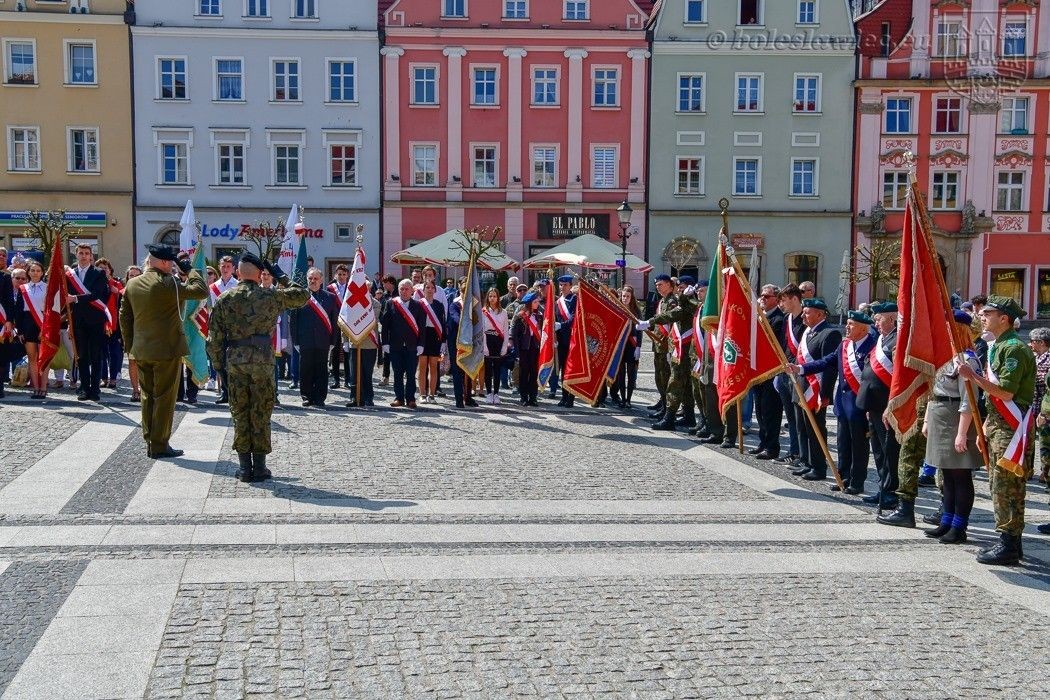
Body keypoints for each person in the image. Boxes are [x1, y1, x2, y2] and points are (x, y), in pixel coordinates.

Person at [208, 253, 309, 482]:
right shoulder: (269, 297)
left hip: (235, 362)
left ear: (238, 272)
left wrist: (218, 365)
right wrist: (280, 275)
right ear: (259, 273)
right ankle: (260, 467)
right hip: (262, 362)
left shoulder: (226, 298)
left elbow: (213, 336)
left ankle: (245, 468)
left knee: (240, 411)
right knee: (261, 412)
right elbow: (302, 296)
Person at [956, 295, 1036, 566]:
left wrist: (972, 376)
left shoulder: (1012, 348)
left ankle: (1009, 543)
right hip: (1000, 424)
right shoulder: (1000, 345)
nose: (982, 316)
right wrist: (987, 428)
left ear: (1004, 318)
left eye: (988, 313)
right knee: (1002, 484)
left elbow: (1006, 391)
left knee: (1005, 485)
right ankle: (1011, 540)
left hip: (1012, 427)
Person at [119, 245, 208, 458]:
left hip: (141, 349)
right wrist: (190, 269)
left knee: (147, 396)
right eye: (171, 262)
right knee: (165, 398)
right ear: (165, 262)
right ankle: (159, 444)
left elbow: (125, 317)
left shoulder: (132, 283)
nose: (172, 266)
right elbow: (201, 290)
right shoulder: (170, 284)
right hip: (167, 350)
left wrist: (131, 346)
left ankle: (150, 439)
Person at [792, 310, 875, 493]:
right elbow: (826, 362)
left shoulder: (872, 345)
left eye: (851, 324)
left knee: (859, 445)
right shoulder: (844, 345)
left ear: (862, 329)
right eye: (847, 323)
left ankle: (857, 481)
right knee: (843, 442)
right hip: (843, 403)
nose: (846, 327)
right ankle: (843, 476)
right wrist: (800, 368)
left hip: (860, 403)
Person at [922, 311, 983, 544]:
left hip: (956, 418)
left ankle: (959, 526)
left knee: (960, 475)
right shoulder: (944, 356)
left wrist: (961, 433)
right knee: (946, 473)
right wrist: (927, 420)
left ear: (958, 329)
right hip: (939, 415)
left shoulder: (967, 360)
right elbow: (932, 392)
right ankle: (946, 521)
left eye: (947, 327)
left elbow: (969, 399)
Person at [790, 298, 841, 481]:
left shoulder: (830, 333)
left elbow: (829, 366)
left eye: (807, 312)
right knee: (802, 427)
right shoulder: (808, 332)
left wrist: (825, 393)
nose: (803, 314)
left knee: (815, 429)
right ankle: (807, 462)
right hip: (801, 386)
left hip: (815, 390)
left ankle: (818, 467)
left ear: (820, 314)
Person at [859, 302, 904, 513]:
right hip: (874, 404)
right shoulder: (881, 338)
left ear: (892, 320)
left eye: (879, 319)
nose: (875, 322)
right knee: (877, 450)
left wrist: (891, 405)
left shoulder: (898, 340)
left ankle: (890, 492)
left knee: (889, 450)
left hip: (887, 405)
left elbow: (898, 377)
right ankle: (882, 487)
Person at [639, 278, 699, 432]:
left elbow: (672, 315)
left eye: (683, 288)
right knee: (684, 385)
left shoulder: (691, 304)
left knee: (675, 382)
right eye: (679, 287)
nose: (680, 290)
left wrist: (650, 321)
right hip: (680, 347)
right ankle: (689, 416)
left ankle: (669, 417)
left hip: (686, 349)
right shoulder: (686, 302)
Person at [65, 243, 110, 401]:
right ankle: (84, 388)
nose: (84, 256)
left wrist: (75, 298)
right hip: (78, 320)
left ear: (91, 256)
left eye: (87, 253)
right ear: (76, 254)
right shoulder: (70, 274)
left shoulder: (98, 273)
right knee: (82, 356)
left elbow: (97, 295)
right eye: (81, 253)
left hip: (95, 320)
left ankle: (95, 389)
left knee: (96, 355)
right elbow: (66, 296)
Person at [290, 268, 340, 408]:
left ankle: (319, 397)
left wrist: (333, 341)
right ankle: (306, 396)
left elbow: (334, 320)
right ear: (307, 279)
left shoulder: (330, 297)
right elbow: (294, 321)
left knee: (321, 370)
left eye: (315, 278)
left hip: (323, 340)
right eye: (310, 278)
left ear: (321, 280)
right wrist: (295, 341)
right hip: (305, 340)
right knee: (305, 370)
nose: (312, 281)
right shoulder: (300, 296)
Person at [380, 279, 426, 408]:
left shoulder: (418, 305)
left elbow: (422, 327)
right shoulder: (391, 303)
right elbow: (385, 326)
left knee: (411, 374)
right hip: (395, 345)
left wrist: (421, 344)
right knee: (398, 373)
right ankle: (399, 398)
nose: (404, 291)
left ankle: (411, 399)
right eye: (402, 289)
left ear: (412, 291)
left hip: (412, 346)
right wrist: (385, 343)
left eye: (407, 289)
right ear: (398, 290)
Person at [752, 284, 785, 460]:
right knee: (760, 410)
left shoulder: (779, 319)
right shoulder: (760, 317)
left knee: (770, 411)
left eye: (767, 296)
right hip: (758, 371)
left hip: (771, 372)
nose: (763, 299)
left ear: (776, 299)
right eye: (762, 296)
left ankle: (772, 446)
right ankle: (763, 442)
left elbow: (771, 343)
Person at [773, 284, 805, 464]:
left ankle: (803, 453)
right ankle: (794, 450)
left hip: (799, 373)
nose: (781, 304)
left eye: (784, 300)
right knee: (791, 416)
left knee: (800, 417)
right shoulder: (787, 320)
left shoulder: (804, 320)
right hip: (786, 372)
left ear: (794, 299)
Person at [14, 260, 47, 399]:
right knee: (32, 358)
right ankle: (36, 387)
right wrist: (20, 331)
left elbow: (51, 310)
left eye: (38, 270)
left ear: (42, 273)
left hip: (43, 323)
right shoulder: (23, 289)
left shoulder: (47, 287)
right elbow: (19, 311)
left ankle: (44, 388)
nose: (35, 273)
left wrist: (46, 328)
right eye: (32, 270)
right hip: (28, 324)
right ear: (28, 272)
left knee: (44, 359)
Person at [647, 274, 677, 419]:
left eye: (660, 285)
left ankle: (667, 410)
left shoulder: (672, 301)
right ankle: (663, 405)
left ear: (668, 284)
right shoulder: (662, 301)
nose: (657, 287)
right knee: (659, 377)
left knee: (666, 378)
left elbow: (670, 322)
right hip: (658, 344)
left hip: (666, 345)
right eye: (657, 285)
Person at [210, 256, 239, 403]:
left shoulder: (238, 286)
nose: (225, 268)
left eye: (228, 266)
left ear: (233, 268)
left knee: (234, 363)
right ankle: (226, 393)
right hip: (218, 330)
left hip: (234, 330)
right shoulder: (213, 287)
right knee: (220, 362)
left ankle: (235, 393)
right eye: (223, 266)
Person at [345, 288, 381, 408]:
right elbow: (345, 321)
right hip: (354, 343)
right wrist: (345, 341)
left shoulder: (375, 303)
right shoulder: (349, 302)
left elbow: (372, 320)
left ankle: (368, 397)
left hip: (369, 344)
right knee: (354, 372)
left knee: (367, 373)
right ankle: (355, 397)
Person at [94, 258, 124, 389]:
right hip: (98, 322)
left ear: (110, 270)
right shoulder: (94, 284)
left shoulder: (117, 284)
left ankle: (113, 379)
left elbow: (124, 300)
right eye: (100, 268)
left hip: (114, 324)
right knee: (101, 353)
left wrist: (117, 292)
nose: (103, 271)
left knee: (114, 353)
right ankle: (103, 378)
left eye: (105, 268)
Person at [611, 285, 643, 409]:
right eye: (623, 296)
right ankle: (623, 398)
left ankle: (629, 399)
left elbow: (640, 330)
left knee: (631, 374)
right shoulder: (617, 308)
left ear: (632, 297)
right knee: (620, 374)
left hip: (632, 345)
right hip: (620, 345)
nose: (625, 298)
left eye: (628, 296)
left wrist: (639, 347)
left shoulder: (636, 311)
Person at [511, 291, 543, 406]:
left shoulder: (539, 315)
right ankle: (524, 397)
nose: (537, 303)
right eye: (535, 302)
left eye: (537, 301)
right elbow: (515, 334)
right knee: (524, 373)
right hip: (524, 349)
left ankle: (533, 397)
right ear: (529, 303)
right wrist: (517, 350)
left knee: (534, 372)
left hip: (535, 348)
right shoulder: (520, 316)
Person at [417, 279, 446, 403]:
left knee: (434, 366)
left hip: (435, 336)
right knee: (422, 366)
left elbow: (443, 324)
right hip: (423, 336)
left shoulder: (439, 305)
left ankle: (432, 394)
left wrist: (443, 341)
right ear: (423, 290)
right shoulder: (419, 304)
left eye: (431, 287)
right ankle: (422, 394)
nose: (429, 289)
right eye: (427, 287)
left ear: (435, 290)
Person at [481, 287, 510, 404]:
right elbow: (482, 330)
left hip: (498, 340)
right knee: (488, 369)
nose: (492, 298)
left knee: (497, 369)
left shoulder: (504, 313)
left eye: (494, 296)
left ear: (498, 297)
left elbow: (506, 331)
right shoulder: (483, 312)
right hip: (487, 339)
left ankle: (496, 393)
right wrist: (484, 346)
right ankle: (488, 393)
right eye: (490, 296)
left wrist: (504, 346)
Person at [1029, 327, 1050, 489]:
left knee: (1045, 443)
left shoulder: (1048, 359)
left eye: (1033, 342)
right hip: (1033, 405)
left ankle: (1045, 472)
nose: (1030, 344)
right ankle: (1029, 470)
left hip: (1045, 409)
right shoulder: (1035, 357)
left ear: (1042, 343)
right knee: (1030, 440)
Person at [553, 275, 578, 408]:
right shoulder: (558, 302)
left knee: (570, 369)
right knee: (562, 368)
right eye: (561, 285)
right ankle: (563, 396)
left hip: (572, 339)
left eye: (565, 285)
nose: (562, 287)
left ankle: (571, 398)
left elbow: (574, 318)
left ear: (570, 285)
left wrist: (561, 325)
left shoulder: (574, 299)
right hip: (561, 340)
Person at [327, 264, 351, 388]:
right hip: (335, 323)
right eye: (339, 274)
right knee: (335, 352)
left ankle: (348, 379)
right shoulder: (330, 289)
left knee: (347, 351)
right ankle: (336, 379)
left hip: (348, 324)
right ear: (336, 275)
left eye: (343, 274)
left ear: (347, 275)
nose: (341, 277)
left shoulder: (352, 288)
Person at [0, 247, 13, 397]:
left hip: (1, 321)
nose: (2, 257)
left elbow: (10, 300)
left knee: (2, 355)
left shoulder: (6, 277)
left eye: (4, 255)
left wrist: (9, 320)